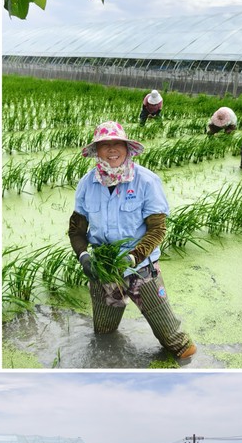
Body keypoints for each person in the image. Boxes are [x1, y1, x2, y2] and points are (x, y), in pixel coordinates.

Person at [69, 120, 196, 360]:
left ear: (127, 148)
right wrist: (84, 256)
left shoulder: (146, 181)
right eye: (104, 145)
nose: (112, 149)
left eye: (118, 143)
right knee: (104, 333)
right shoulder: (87, 184)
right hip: (105, 270)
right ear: (96, 151)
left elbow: (157, 229)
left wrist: (132, 257)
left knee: (176, 342)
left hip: (141, 270)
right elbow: (77, 229)